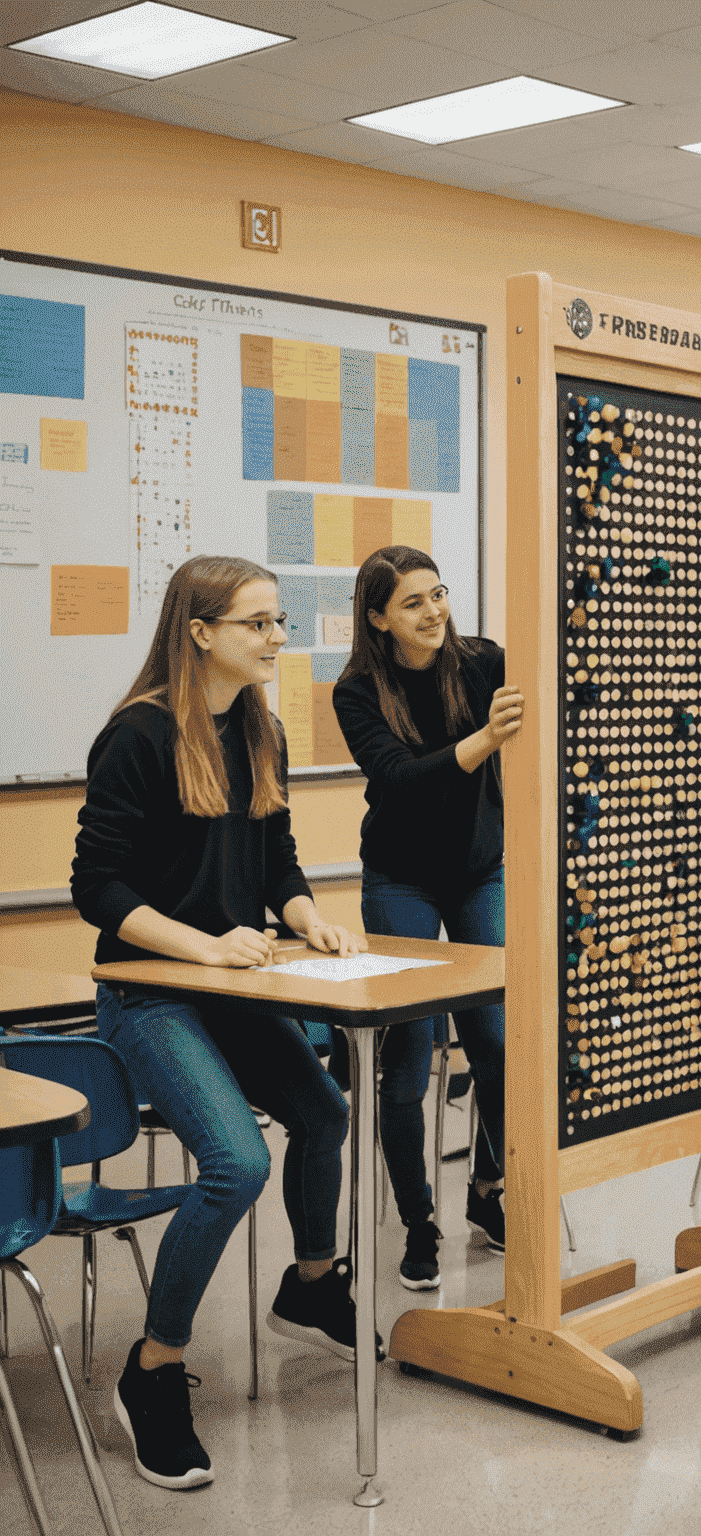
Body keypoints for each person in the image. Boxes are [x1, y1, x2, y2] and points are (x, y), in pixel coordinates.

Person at [71, 555, 369, 1491]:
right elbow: (99, 889)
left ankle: (311, 1283)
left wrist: (305, 914)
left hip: (233, 993)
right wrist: (200, 947)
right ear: (201, 632)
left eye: (278, 622)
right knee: (238, 1163)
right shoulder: (138, 736)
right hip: (149, 995)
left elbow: (273, 855)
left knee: (323, 1114)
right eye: (259, 624)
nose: (278, 639)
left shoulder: (259, 728)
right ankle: (153, 1370)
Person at [333, 546, 523, 1290]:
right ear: (379, 618)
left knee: (498, 1041)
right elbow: (402, 781)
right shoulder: (356, 690)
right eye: (412, 602)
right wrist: (485, 741)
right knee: (408, 1056)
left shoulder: (480, 662)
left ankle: (489, 1188)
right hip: (400, 879)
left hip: (478, 872)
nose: (433, 611)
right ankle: (418, 1222)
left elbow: (563, 671)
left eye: (438, 593)